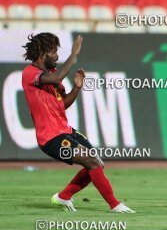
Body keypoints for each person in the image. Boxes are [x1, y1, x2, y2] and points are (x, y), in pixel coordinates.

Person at [21, 33, 134, 213]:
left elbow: (62, 104)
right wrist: (73, 55)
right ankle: (115, 205)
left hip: (65, 131)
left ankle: (63, 197)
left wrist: (77, 87)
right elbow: (57, 78)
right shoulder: (30, 73)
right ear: (42, 54)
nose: (57, 56)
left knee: (96, 162)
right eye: (54, 52)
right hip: (50, 138)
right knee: (92, 162)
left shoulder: (52, 75)